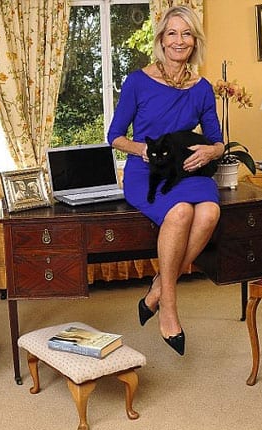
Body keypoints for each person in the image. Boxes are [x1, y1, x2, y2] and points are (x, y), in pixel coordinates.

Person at [107, 6, 224, 356]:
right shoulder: (138, 81)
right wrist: (141, 149)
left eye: (186, 34)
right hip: (147, 172)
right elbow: (115, 136)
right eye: (172, 33)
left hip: (187, 169)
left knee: (209, 213)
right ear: (160, 39)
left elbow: (218, 140)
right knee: (180, 212)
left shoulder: (201, 88)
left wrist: (211, 152)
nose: (179, 41)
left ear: (195, 41)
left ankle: (158, 286)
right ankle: (169, 308)